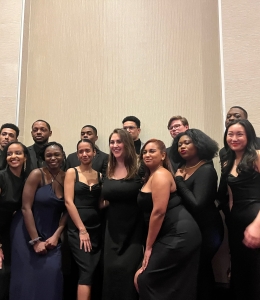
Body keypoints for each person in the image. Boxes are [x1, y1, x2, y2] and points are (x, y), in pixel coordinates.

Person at [135, 139, 201, 300]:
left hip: (180, 234)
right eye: (145, 152)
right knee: (151, 280)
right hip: (170, 233)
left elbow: (158, 212)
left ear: (163, 155)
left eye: (152, 151)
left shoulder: (160, 175)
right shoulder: (150, 176)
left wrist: (149, 247)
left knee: (145, 278)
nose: (147, 155)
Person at [171, 129, 224, 300]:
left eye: (187, 143)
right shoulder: (182, 167)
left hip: (208, 230)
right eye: (179, 144)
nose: (182, 147)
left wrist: (178, 181)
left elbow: (197, 204)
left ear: (199, 144)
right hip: (192, 229)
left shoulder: (206, 169)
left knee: (201, 269)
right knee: (194, 270)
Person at [10, 142, 67, 300]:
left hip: (52, 232)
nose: (53, 158)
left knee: (52, 273)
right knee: (27, 279)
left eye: (56, 154)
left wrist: (57, 234)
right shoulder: (37, 174)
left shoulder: (67, 176)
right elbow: (25, 208)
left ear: (63, 156)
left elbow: (68, 208)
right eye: (49, 155)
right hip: (27, 231)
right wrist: (35, 241)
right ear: (43, 158)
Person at [102, 128, 143, 300]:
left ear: (127, 143)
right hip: (112, 228)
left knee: (129, 272)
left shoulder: (140, 167)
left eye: (119, 141)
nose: (115, 145)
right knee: (111, 272)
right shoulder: (108, 167)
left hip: (134, 228)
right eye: (112, 142)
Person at [220, 119, 260, 300]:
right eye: (230, 134)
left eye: (239, 134)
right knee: (240, 271)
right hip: (236, 224)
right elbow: (231, 196)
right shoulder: (228, 160)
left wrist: (257, 225)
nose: (234, 138)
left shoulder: (257, 156)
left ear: (249, 136)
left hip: (256, 221)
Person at [65, 139, 102, 300]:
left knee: (93, 269)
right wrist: (82, 229)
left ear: (94, 152)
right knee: (86, 270)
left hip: (96, 227)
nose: (84, 154)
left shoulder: (100, 175)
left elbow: (100, 203)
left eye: (88, 150)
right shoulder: (72, 172)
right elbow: (68, 201)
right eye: (81, 151)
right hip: (78, 228)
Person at [0, 141, 28, 300]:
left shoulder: (28, 179)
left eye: (18, 153)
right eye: (9, 153)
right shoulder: (1, 176)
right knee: (3, 274)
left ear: (25, 157)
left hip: (17, 233)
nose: (13, 156)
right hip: (1, 232)